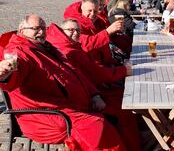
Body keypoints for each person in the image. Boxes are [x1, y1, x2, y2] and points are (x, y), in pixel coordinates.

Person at [0, 15, 124, 150]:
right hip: (47, 116)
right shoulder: (18, 50)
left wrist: (94, 94)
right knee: (97, 126)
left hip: (71, 105)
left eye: (43, 28)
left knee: (117, 109)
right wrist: (6, 74)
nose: (41, 32)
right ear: (22, 31)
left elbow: (76, 73)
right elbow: (16, 68)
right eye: (35, 28)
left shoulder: (47, 48)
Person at [46, 19, 141, 151]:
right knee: (123, 107)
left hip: (92, 90)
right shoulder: (68, 51)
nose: (75, 33)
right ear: (62, 32)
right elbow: (94, 73)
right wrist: (123, 71)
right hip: (82, 102)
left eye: (78, 30)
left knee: (124, 97)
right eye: (70, 30)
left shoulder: (71, 46)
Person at [64, 0, 124, 66]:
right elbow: (87, 45)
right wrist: (108, 32)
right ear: (82, 9)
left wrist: (116, 30)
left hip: (105, 62)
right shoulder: (74, 24)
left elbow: (103, 43)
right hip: (92, 66)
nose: (92, 14)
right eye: (89, 10)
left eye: (95, 11)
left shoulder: (97, 21)